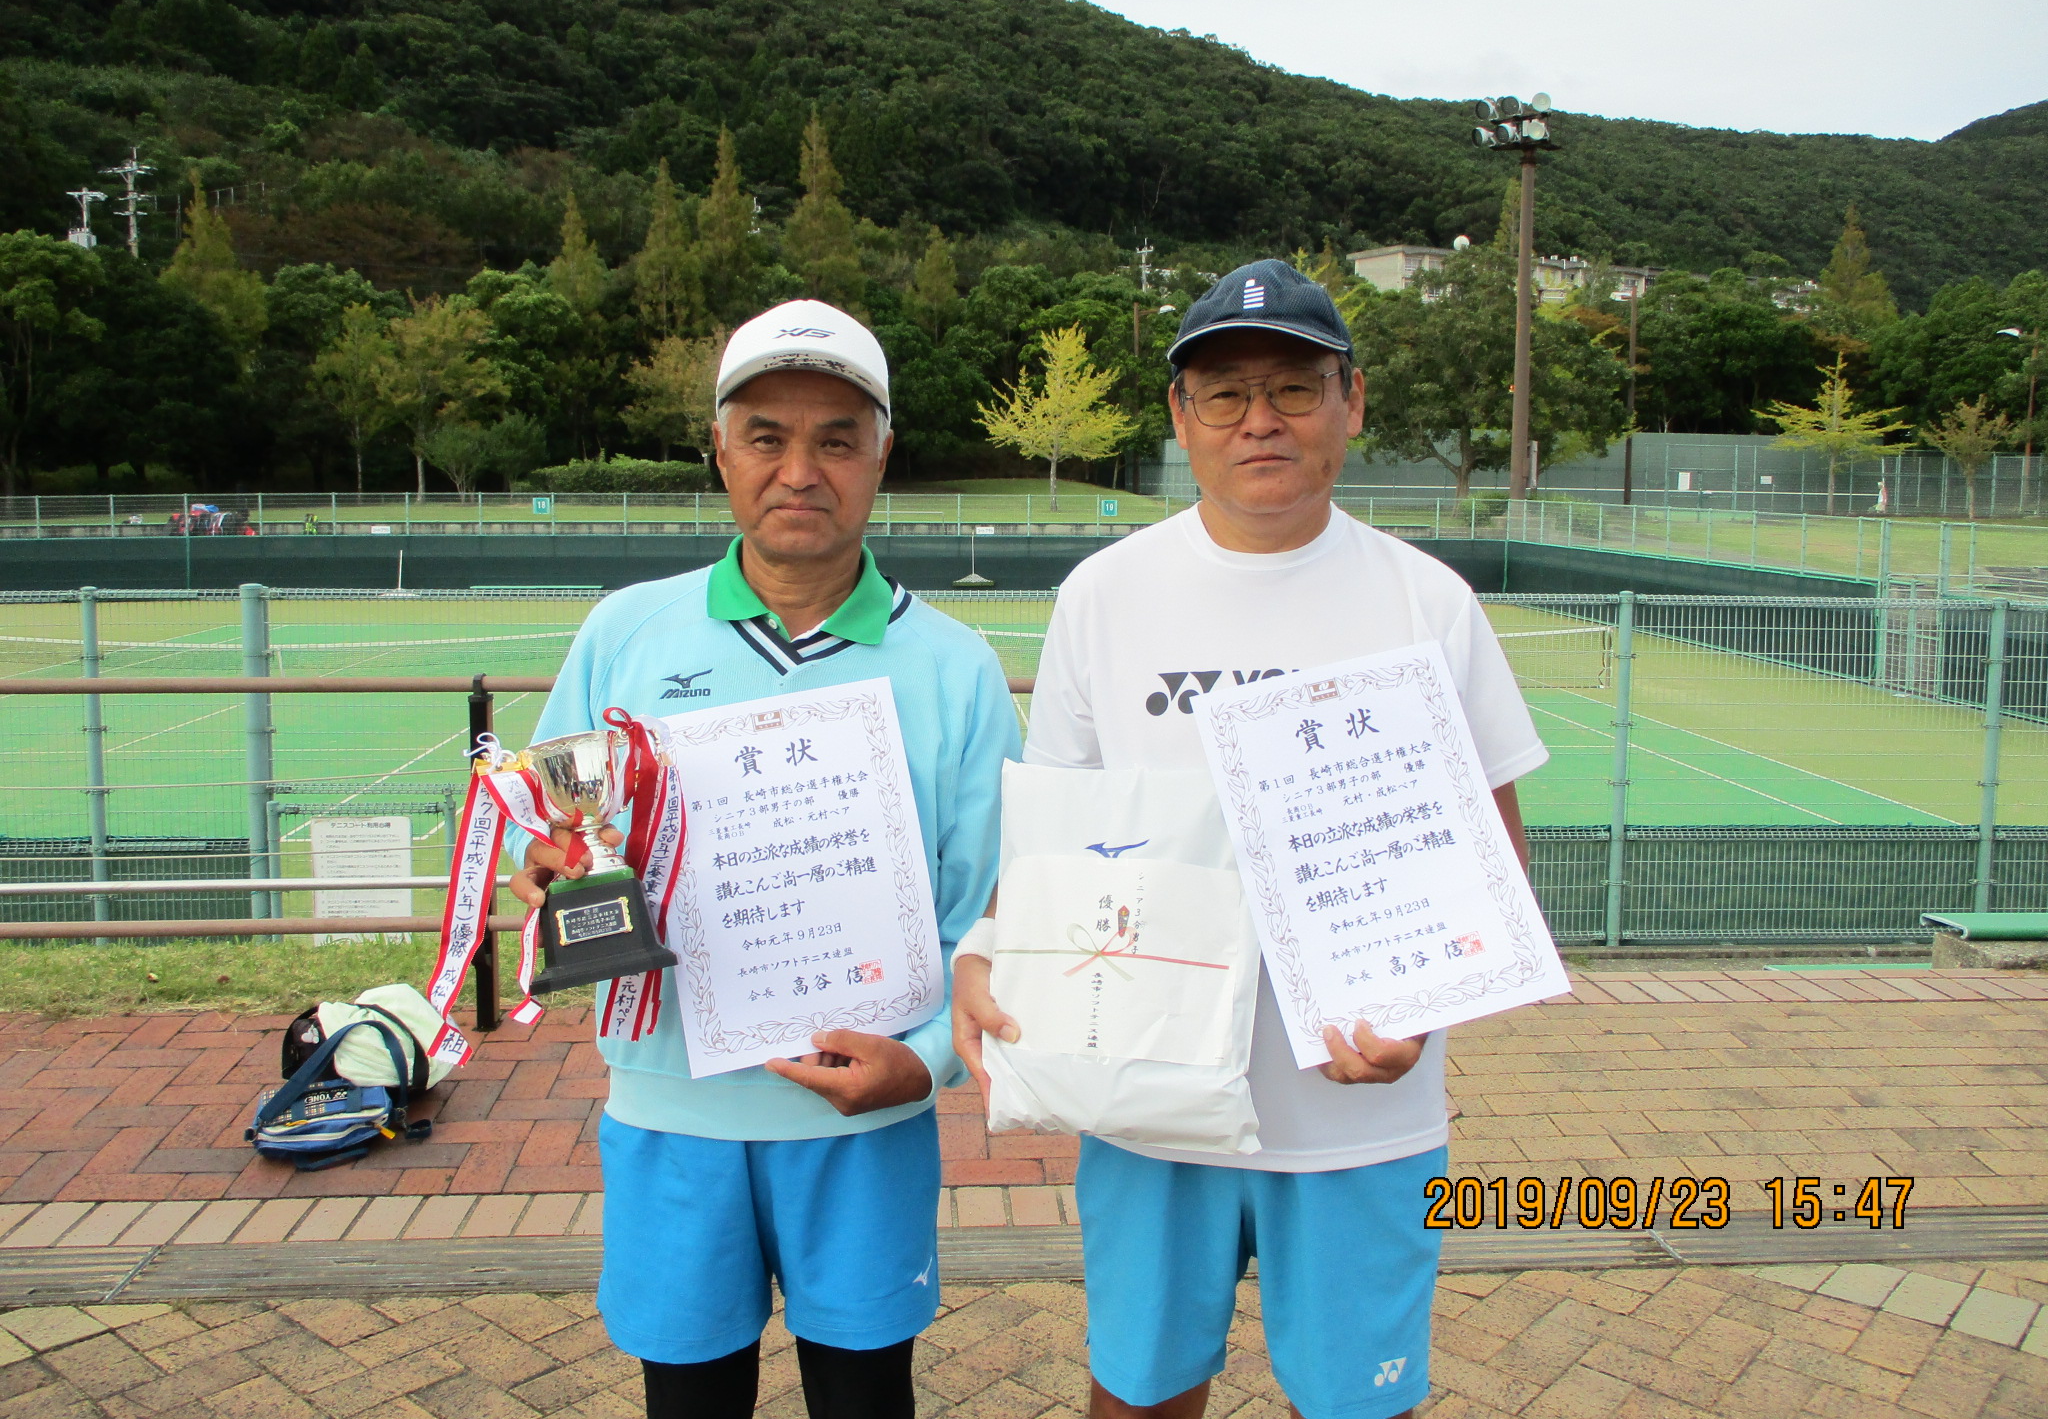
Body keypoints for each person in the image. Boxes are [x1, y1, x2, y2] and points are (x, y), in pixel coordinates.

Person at [953, 261, 1548, 1419]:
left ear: (1350, 402)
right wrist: (987, 947)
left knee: (1358, 1405)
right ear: (1180, 417)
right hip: (1144, 1094)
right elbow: (1053, 833)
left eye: (1292, 386)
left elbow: (1490, 854)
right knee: (1136, 1395)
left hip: (1357, 1117)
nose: (1258, 419)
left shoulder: (1426, 601)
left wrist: (1424, 1007)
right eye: (1224, 392)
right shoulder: (1103, 595)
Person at [512, 300, 1017, 1419]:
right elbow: (548, 826)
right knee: (688, 1399)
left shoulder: (956, 667)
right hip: (671, 1111)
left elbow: (995, 906)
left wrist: (927, 1061)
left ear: (881, 455)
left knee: (863, 1395)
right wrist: (547, 862)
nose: (800, 471)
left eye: (836, 439)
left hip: (864, 1118)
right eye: (766, 437)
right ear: (719, 450)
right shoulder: (624, 633)